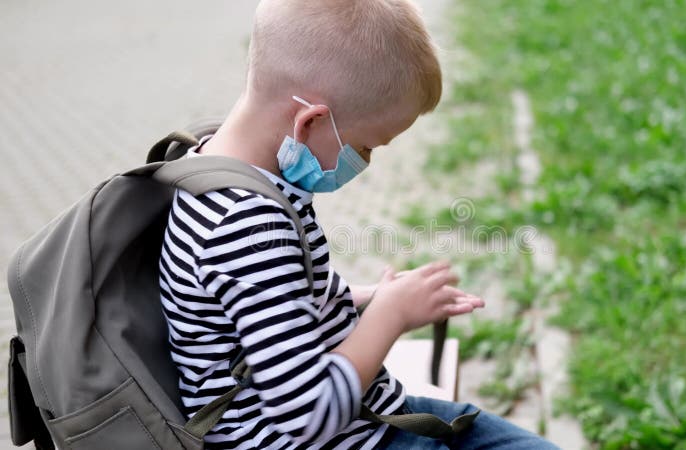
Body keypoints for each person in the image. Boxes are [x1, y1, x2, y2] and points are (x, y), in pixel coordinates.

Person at [158, 0, 560, 448]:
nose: (365, 163)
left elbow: (274, 308)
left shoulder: (220, 169)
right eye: (367, 147)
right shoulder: (243, 223)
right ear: (310, 121)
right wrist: (390, 317)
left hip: (372, 416)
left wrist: (374, 298)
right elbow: (308, 413)